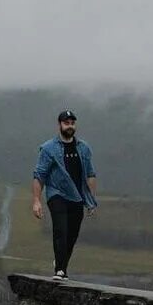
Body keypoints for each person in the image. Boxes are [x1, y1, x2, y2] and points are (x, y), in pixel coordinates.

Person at [31, 109, 98, 280]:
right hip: (57, 194)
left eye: (72, 123)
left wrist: (91, 200)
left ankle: (60, 262)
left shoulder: (83, 148)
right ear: (59, 125)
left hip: (77, 196)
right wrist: (37, 201)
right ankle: (60, 270)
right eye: (66, 123)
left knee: (72, 234)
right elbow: (39, 175)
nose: (70, 126)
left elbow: (90, 174)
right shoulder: (48, 148)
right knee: (61, 230)